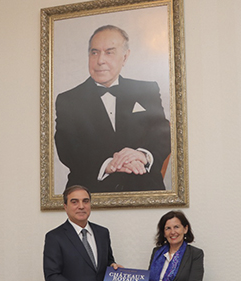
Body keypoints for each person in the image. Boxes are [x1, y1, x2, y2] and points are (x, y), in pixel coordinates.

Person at [54, 25, 171, 193]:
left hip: (144, 191)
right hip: (91, 194)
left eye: (109, 52)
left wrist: (142, 155)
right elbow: (67, 148)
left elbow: (162, 134)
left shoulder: (147, 90)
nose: (100, 60)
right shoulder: (68, 100)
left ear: (125, 57)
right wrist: (107, 165)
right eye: (94, 52)